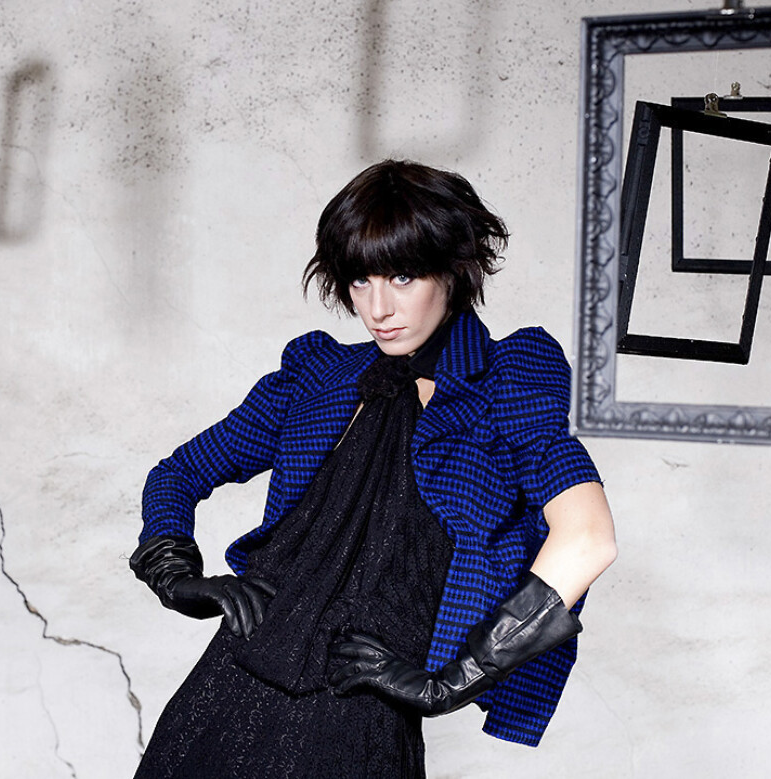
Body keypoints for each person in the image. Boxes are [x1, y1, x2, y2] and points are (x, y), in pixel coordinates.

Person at [129, 160, 616, 778]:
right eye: (360, 280)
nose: (378, 307)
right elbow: (177, 473)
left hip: (356, 722)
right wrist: (177, 578)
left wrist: (451, 682)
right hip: (220, 701)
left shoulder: (507, 379)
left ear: (453, 268)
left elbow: (588, 538)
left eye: (403, 276)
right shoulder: (319, 374)